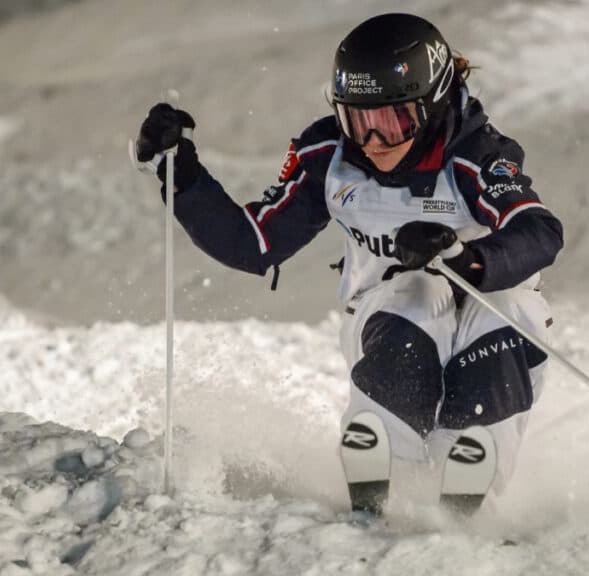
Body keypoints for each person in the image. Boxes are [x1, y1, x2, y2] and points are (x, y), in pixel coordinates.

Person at [135, 13, 564, 514]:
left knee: (498, 315)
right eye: (358, 121)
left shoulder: (476, 154)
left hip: (492, 310)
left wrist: (466, 259)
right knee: (416, 294)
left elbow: (540, 230)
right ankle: (387, 458)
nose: (374, 143)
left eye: (393, 121)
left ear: (432, 105)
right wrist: (181, 175)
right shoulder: (329, 156)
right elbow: (254, 242)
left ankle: (468, 474)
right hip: (391, 318)